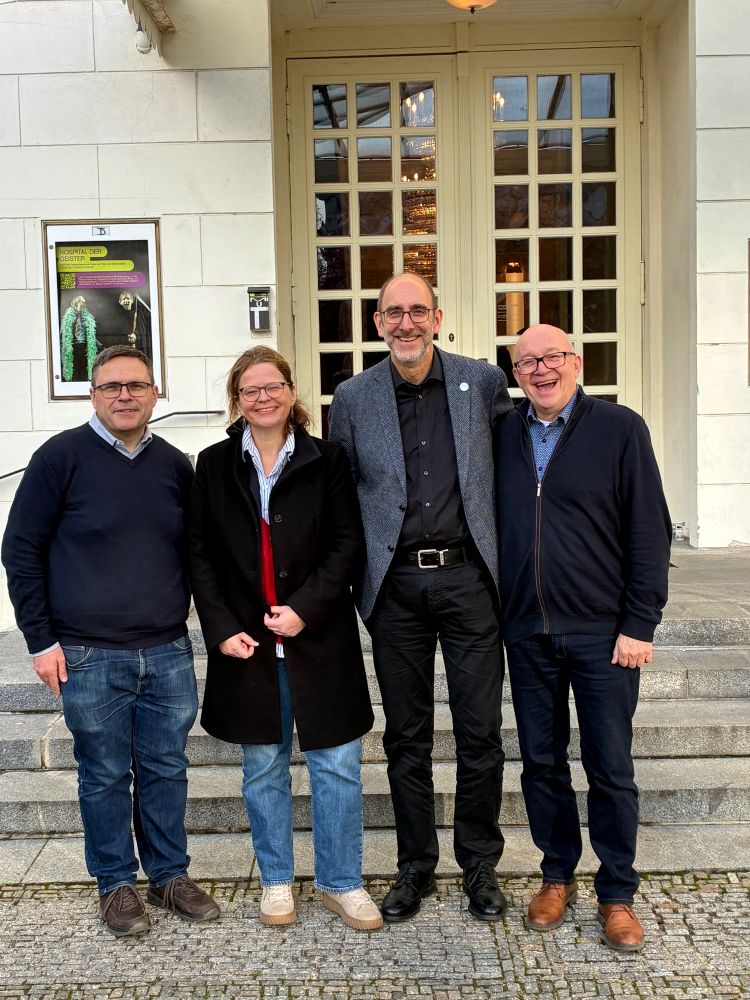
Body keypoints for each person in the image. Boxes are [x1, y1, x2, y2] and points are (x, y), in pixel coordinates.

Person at [1, 345, 219, 937]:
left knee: (167, 767)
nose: (125, 396)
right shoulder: (60, 458)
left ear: (155, 394)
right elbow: (20, 550)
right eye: (111, 386)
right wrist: (40, 640)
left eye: (136, 386)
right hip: (89, 653)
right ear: (92, 395)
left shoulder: (175, 465)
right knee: (101, 773)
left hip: (168, 650)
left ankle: (169, 875)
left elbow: (197, 553)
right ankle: (116, 884)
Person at [328, 272, 513, 923]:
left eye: (416, 311)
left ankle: (481, 866)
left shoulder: (482, 383)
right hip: (396, 586)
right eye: (392, 313)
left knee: (479, 730)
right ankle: (416, 867)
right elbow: (341, 496)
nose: (405, 323)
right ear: (378, 323)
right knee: (406, 735)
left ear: (437, 316)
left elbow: (510, 473)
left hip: (469, 581)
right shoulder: (352, 398)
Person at [188, 347, 381, 931]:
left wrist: (305, 609)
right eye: (250, 390)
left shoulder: (328, 460)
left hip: (318, 638)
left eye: (273, 386)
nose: (263, 397)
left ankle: (342, 882)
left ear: (291, 393)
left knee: (338, 766)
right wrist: (220, 628)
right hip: (246, 644)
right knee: (263, 769)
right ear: (237, 400)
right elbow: (200, 552)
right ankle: (275, 880)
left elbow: (348, 544)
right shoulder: (214, 464)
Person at [494, 324, 671, 953]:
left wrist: (639, 622)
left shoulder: (620, 429)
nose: (540, 370)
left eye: (552, 358)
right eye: (526, 362)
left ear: (577, 362)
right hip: (527, 630)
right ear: (514, 373)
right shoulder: (504, 432)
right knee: (541, 762)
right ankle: (555, 873)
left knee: (610, 765)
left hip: (604, 633)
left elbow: (650, 529)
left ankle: (617, 890)